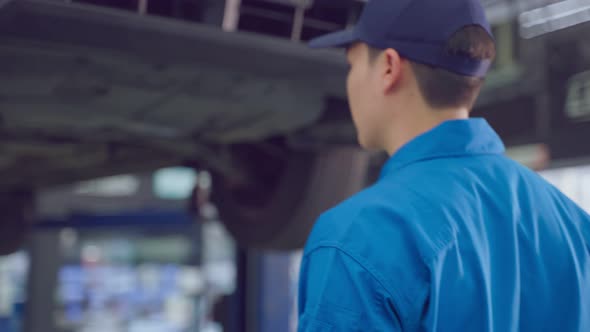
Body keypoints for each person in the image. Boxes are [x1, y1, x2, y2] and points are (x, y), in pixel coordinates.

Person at [297, 0, 590, 331]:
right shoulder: (573, 225)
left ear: (389, 68)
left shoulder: (356, 237)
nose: (349, 82)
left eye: (353, 64)